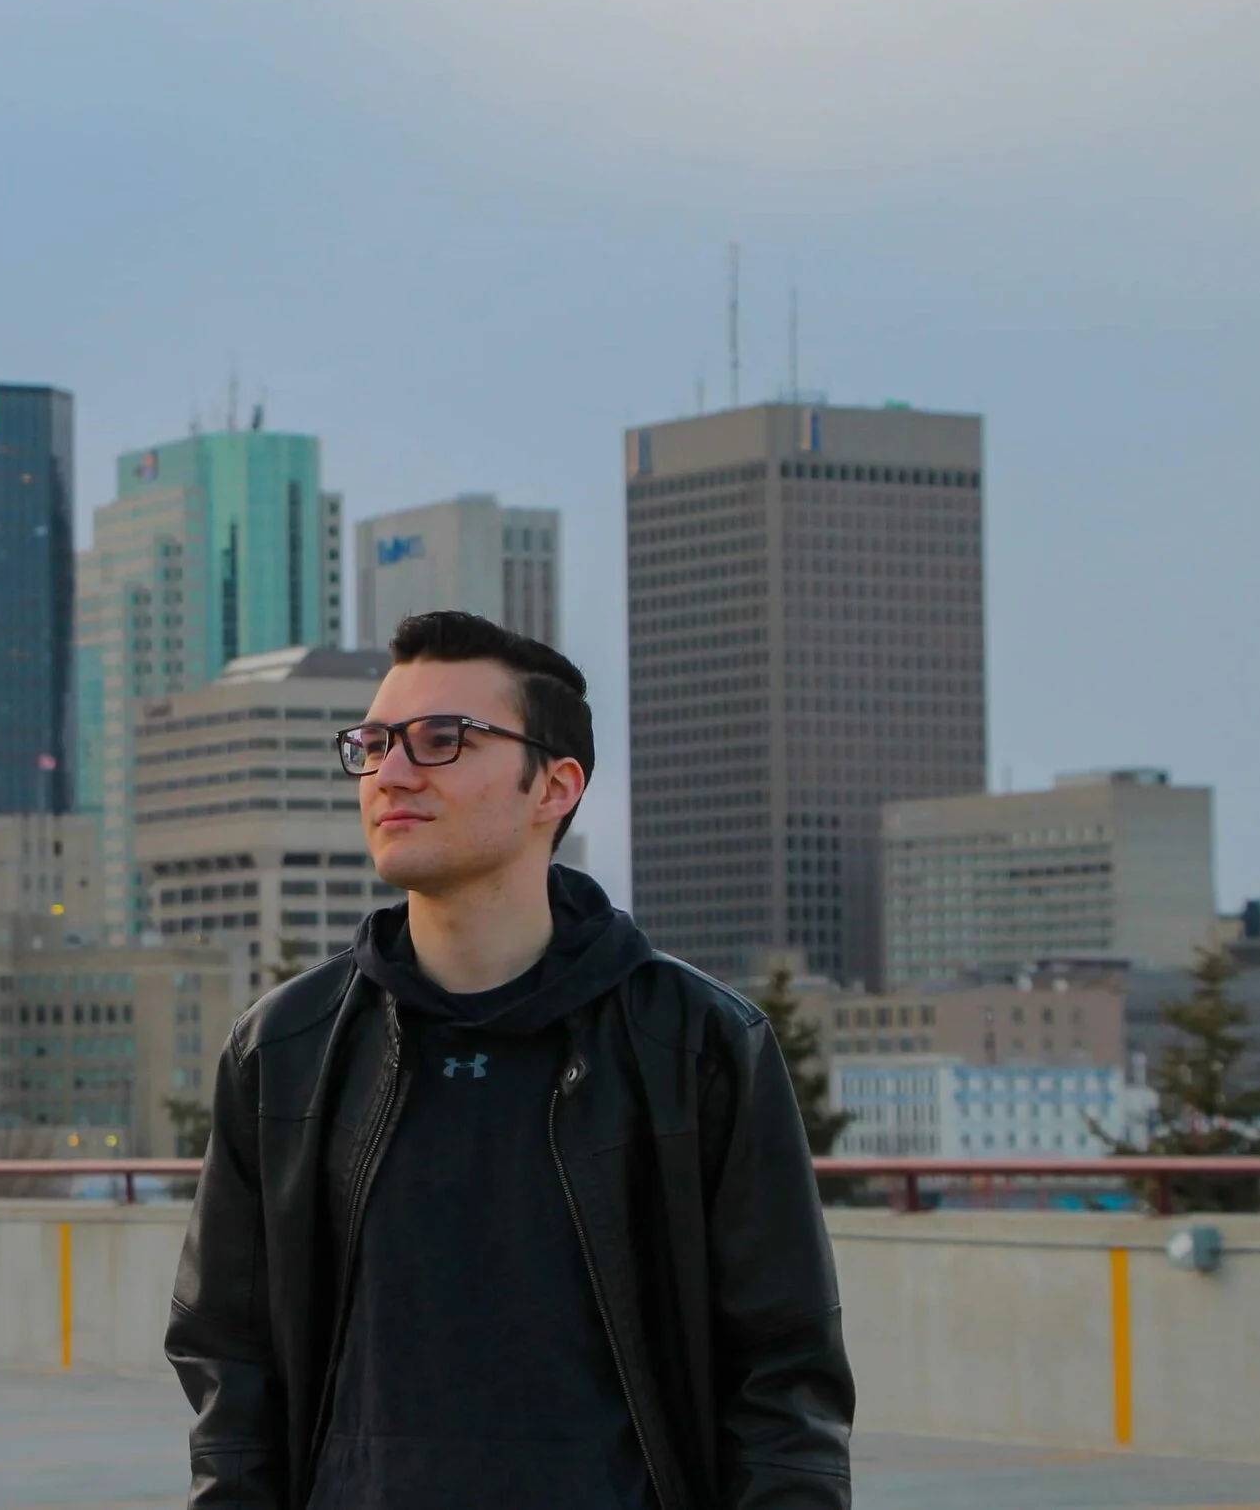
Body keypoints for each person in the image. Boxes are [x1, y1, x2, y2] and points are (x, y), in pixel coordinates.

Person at [166, 610, 853, 1510]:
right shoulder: (285, 1049)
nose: (392, 772)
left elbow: (784, 1371)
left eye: (442, 739)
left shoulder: (696, 1044)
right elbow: (231, 1361)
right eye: (373, 743)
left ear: (553, 786)